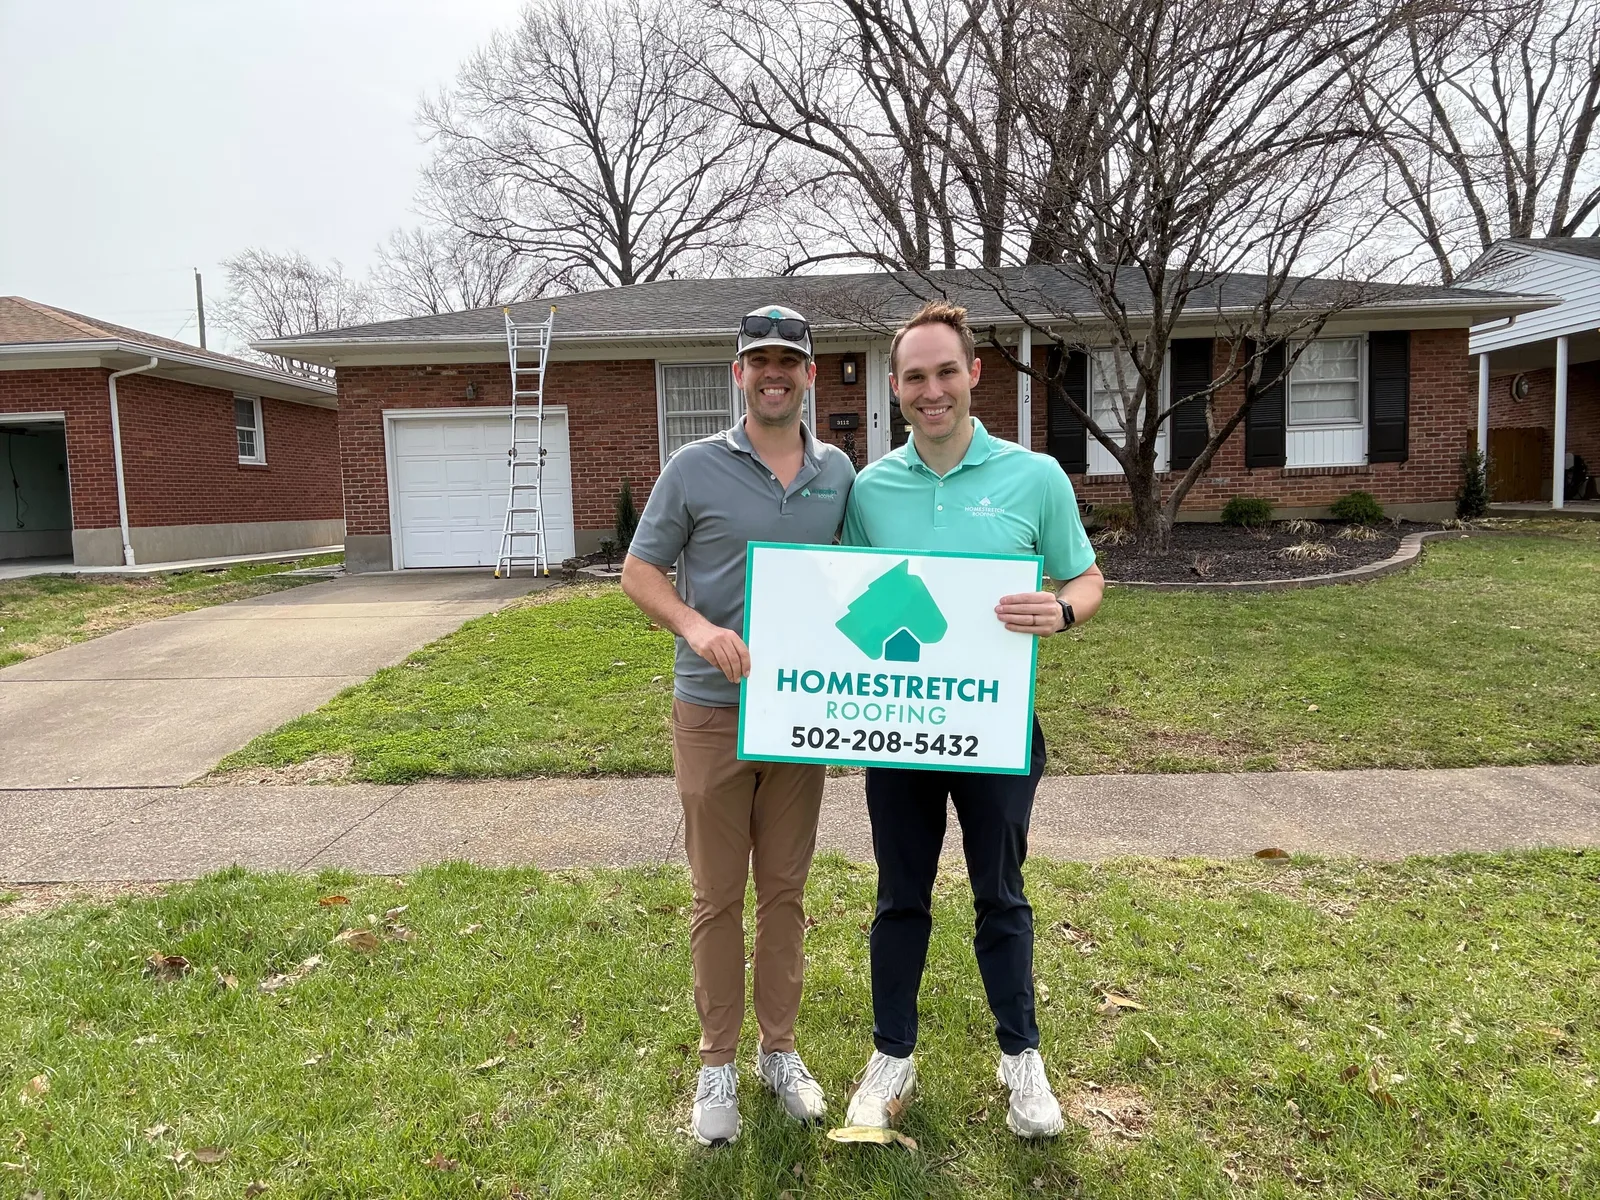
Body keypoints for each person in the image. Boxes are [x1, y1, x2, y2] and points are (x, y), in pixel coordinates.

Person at [839, 300, 1105, 1139]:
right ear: (896, 387)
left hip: (997, 730)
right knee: (899, 897)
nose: (931, 390)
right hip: (900, 731)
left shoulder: (1036, 477)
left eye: (945, 371)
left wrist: (1061, 613)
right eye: (914, 376)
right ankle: (892, 1057)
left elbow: (1087, 578)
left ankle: (1021, 1056)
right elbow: (840, 599)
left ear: (973, 374)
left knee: (1001, 895)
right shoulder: (871, 489)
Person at [621, 305, 856, 1146]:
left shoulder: (839, 474)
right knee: (717, 897)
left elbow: (860, 578)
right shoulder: (693, 468)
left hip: (800, 717)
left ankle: (778, 1051)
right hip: (713, 713)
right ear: (738, 375)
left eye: (788, 360)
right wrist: (696, 627)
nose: (774, 373)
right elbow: (640, 571)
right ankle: (716, 1060)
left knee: (785, 893)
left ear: (809, 375)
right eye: (759, 360)